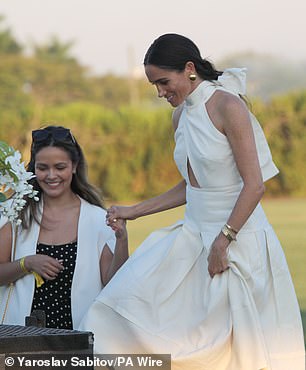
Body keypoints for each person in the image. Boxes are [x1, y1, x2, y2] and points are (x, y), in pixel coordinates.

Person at [79, 34, 305, 369]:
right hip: (192, 238)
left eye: (163, 82)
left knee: (235, 351)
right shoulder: (179, 116)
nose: (160, 92)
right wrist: (134, 211)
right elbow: (193, 186)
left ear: (189, 69)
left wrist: (223, 241)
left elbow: (254, 186)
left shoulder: (229, 107)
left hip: (237, 243)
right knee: (115, 308)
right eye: (154, 85)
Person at [0, 125, 128, 330]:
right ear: (34, 168)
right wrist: (27, 263)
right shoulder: (16, 214)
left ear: (74, 166)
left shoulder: (97, 219)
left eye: (60, 167)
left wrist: (122, 240)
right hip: (21, 340)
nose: (51, 176)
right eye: (42, 168)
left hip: (77, 339)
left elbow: (113, 284)